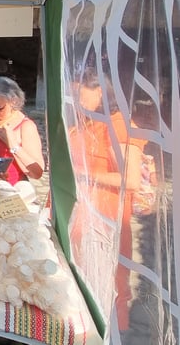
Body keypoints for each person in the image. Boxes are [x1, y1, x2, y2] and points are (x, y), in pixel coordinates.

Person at [67, 67, 144, 331]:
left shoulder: (119, 125)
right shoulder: (86, 122)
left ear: (100, 91)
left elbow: (130, 180)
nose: (75, 99)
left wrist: (78, 174)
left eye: (79, 93)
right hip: (80, 219)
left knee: (105, 288)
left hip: (103, 223)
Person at [0, 76, 45, 184]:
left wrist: (13, 145)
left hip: (9, 189)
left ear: (13, 101)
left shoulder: (26, 126)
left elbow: (37, 172)